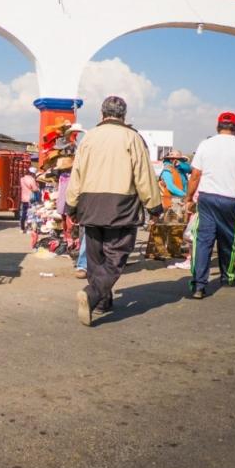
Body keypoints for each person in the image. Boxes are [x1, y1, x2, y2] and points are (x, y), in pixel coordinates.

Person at [66, 96, 162, 326]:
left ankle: (101, 302)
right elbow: (143, 175)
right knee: (116, 257)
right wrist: (154, 205)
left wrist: (71, 205)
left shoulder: (89, 138)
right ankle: (91, 295)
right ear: (124, 115)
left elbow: (76, 174)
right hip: (121, 206)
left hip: (90, 205)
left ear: (102, 114)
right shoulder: (132, 137)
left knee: (95, 258)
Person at [182, 111, 235, 299]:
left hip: (207, 199)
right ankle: (227, 276)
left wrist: (189, 199)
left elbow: (195, 176)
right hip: (230, 200)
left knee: (203, 242)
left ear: (218, 126)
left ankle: (199, 285)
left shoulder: (206, 144)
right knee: (228, 240)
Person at [19, 167, 39, 232]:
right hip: (31, 199)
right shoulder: (32, 179)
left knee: (23, 213)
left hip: (23, 198)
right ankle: (28, 228)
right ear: (33, 173)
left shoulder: (22, 179)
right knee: (30, 214)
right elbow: (35, 189)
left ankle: (22, 228)